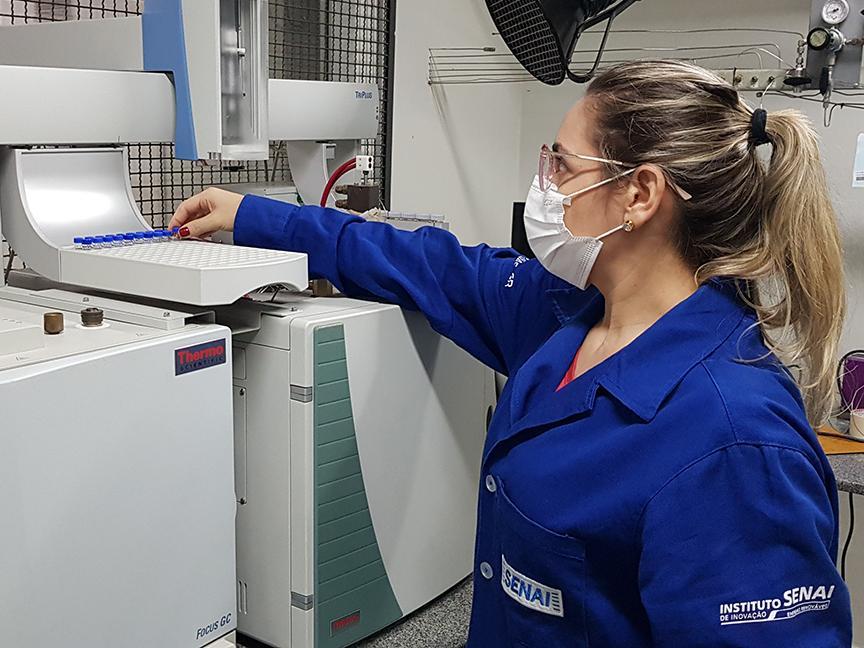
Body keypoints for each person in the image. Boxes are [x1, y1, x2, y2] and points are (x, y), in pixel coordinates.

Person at [170, 60, 852, 646]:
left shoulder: (733, 443)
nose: (546, 182)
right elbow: (430, 266)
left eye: (561, 161)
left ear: (639, 194)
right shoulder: (569, 317)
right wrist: (254, 215)